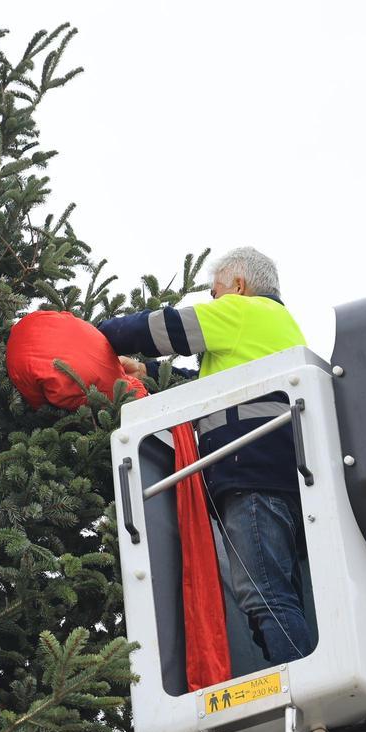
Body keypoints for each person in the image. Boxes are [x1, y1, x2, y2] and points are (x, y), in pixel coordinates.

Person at [98, 247, 314, 664]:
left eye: (215, 294)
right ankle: (301, 678)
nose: (214, 304)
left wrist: (95, 333)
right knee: (279, 592)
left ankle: (300, 688)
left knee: (264, 595)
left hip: (251, 473)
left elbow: (165, 328)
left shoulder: (244, 312)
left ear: (238, 286)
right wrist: (150, 374)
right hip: (284, 476)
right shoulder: (275, 329)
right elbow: (209, 389)